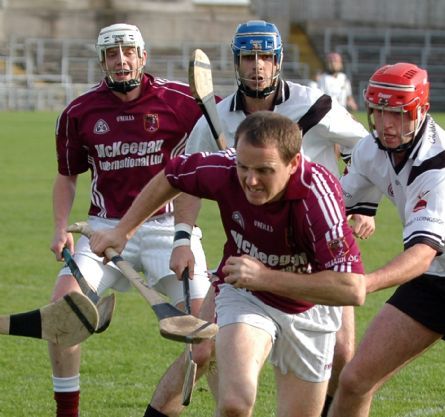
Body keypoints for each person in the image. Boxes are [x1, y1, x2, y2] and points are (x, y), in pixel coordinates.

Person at [139, 20, 371, 417]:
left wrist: (360, 204)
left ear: (278, 61)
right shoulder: (215, 118)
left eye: (265, 57)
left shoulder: (314, 105)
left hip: (314, 256)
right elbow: (188, 178)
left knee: (343, 353)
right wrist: (182, 237)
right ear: (237, 62)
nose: (257, 66)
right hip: (249, 251)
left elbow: (365, 151)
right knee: (201, 348)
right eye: (249, 57)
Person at [90, 110, 367, 417]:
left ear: (293, 163)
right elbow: (172, 174)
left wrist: (264, 276)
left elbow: (352, 289)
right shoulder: (224, 168)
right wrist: (123, 231)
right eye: (243, 167)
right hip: (245, 295)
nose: (251, 180)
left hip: (309, 307)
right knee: (235, 403)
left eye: (264, 170)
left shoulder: (318, 195)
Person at [48, 23, 211, 417]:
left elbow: (228, 123)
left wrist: (184, 237)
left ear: (143, 56)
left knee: (207, 339)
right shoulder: (79, 112)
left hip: (168, 229)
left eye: (128, 51)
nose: (121, 60)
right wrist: (60, 227)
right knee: (62, 315)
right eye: (111, 53)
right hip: (104, 229)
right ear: (102, 61)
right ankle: (67, 412)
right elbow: (67, 176)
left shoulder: (180, 101)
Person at [329, 62, 445, 417]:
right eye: (379, 112)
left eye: (399, 113)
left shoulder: (441, 166)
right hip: (439, 273)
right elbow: (332, 208)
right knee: (355, 380)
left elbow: (422, 254)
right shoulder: (370, 149)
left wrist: (365, 283)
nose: (387, 125)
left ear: (421, 110)